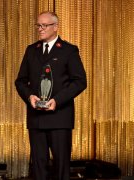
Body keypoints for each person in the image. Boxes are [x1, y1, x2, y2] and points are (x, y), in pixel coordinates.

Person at [15, 11, 87, 180]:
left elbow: (79, 81)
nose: (40, 29)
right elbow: (20, 81)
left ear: (56, 27)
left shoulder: (69, 50)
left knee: (61, 167)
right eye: (38, 25)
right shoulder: (31, 50)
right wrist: (30, 96)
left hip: (59, 117)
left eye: (44, 25)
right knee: (39, 167)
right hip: (36, 118)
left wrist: (57, 100)